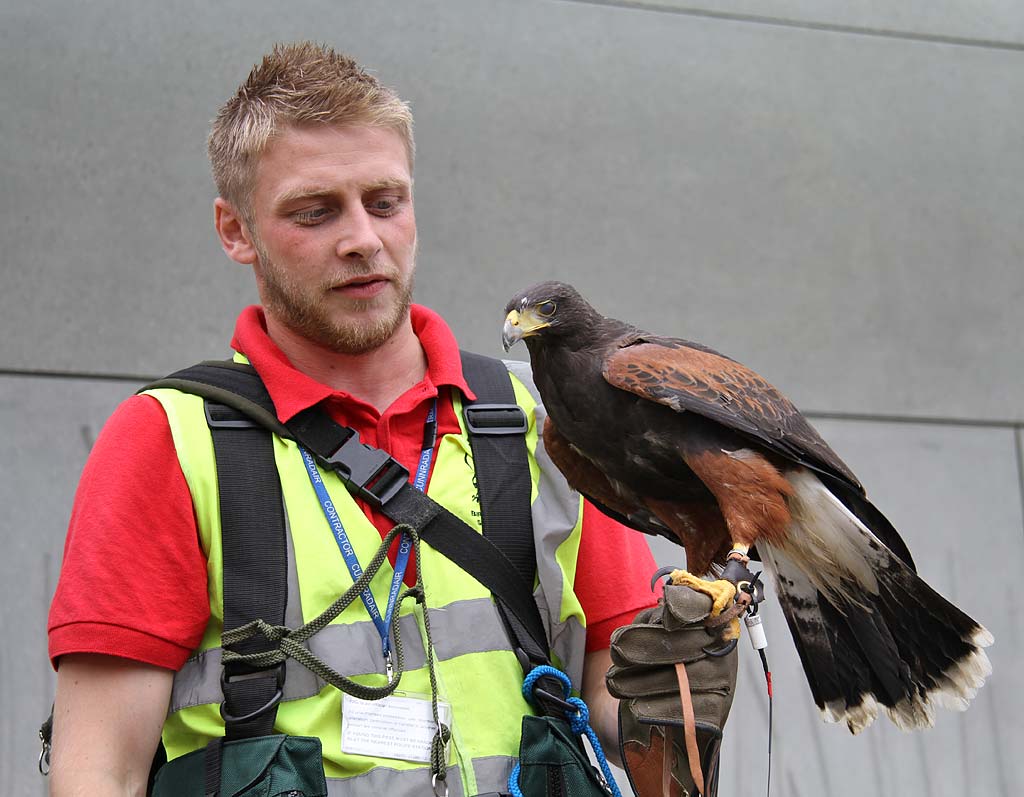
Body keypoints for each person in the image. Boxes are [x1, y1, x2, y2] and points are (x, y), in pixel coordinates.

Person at [46, 42, 665, 796]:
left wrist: (684, 686)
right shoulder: (170, 441)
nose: (362, 240)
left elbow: (620, 701)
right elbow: (97, 768)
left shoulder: (544, 420)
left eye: (385, 202)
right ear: (235, 230)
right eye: (314, 211)